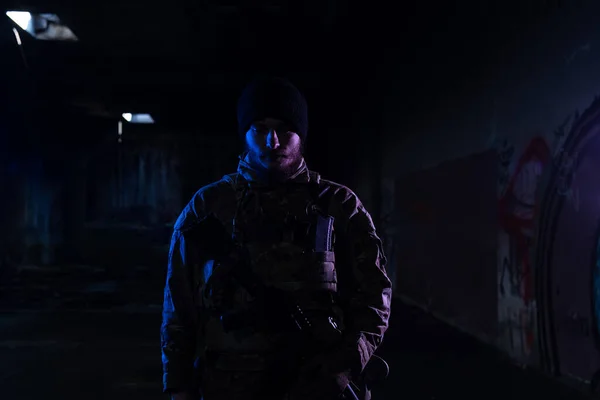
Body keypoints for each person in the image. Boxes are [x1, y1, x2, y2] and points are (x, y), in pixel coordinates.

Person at [161, 76, 392, 400]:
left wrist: (345, 363)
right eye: (259, 128)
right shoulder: (207, 207)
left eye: (285, 129)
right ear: (244, 134)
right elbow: (178, 306)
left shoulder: (338, 206)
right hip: (227, 385)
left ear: (302, 135)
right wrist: (179, 385)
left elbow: (375, 296)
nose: (272, 141)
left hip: (316, 385)